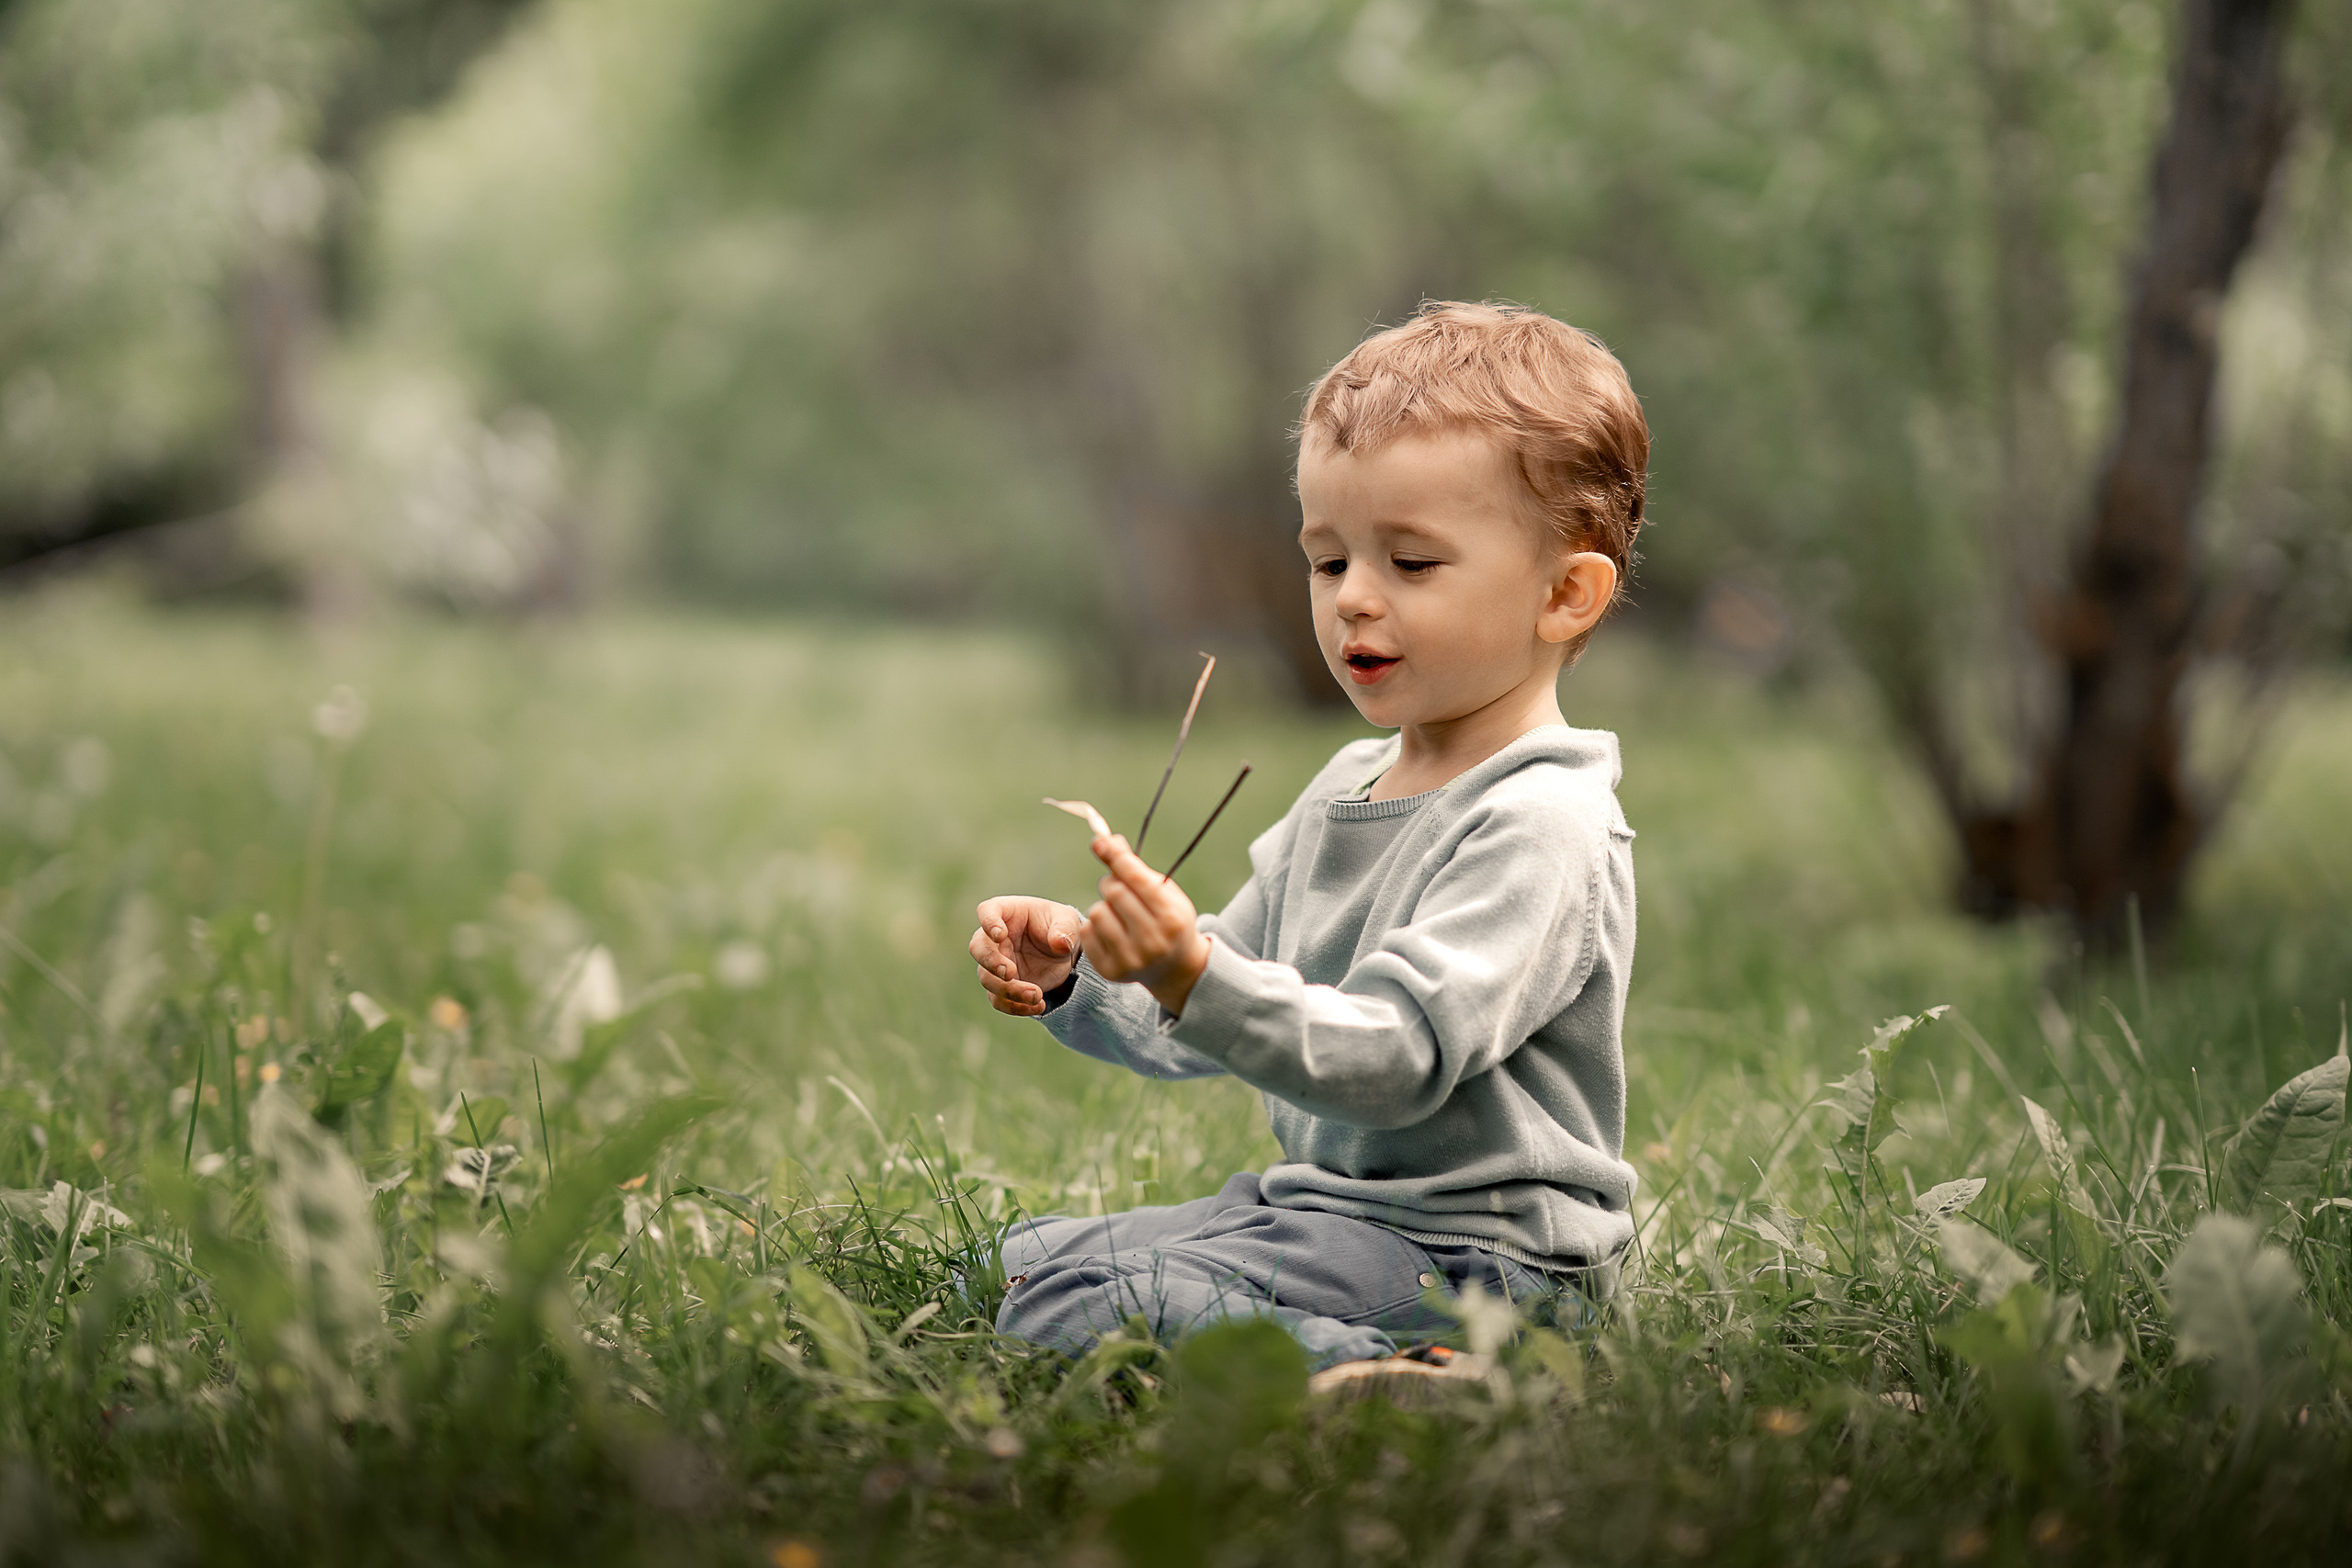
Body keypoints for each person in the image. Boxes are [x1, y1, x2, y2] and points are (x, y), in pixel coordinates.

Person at [967, 300, 1647, 1392]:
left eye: (1411, 562)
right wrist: (1086, 976)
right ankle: (1373, 1356)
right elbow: (1218, 1014)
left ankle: (1421, 1381)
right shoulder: (1347, 787)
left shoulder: (1539, 823)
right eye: (1329, 562)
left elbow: (1394, 1059)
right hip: (1335, 1219)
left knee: (1073, 1303)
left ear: (1564, 593)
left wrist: (1195, 974)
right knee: (1014, 1266)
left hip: (1485, 1260)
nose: (1353, 600)